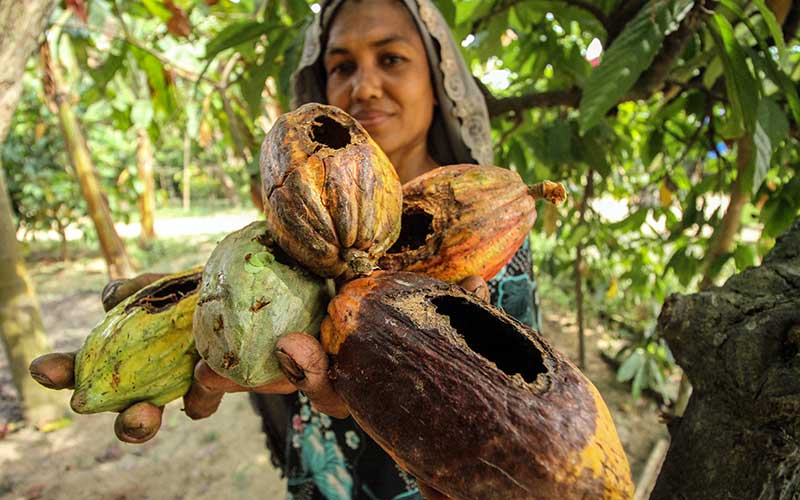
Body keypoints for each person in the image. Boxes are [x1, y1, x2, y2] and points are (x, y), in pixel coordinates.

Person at [31, 1, 543, 499]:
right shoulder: (299, 232)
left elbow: (520, 408)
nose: (363, 87)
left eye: (391, 58)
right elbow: (251, 303)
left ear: (438, 79)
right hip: (320, 477)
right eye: (341, 66)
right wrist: (184, 313)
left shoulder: (495, 241)